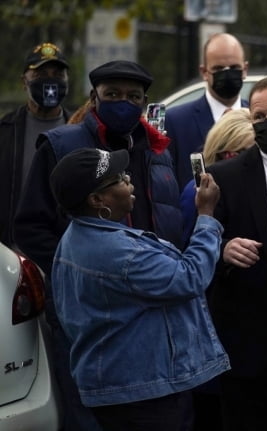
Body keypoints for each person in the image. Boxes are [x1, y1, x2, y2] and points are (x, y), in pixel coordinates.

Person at [13, 59, 183, 431]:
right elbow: (31, 226)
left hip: (147, 310)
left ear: (144, 102)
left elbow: (170, 222)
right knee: (89, 413)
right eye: (113, 95)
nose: (124, 102)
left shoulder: (158, 151)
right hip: (89, 309)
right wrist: (84, 266)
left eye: (133, 96)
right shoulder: (62, 146)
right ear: (94, 98)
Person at [49, 147, 229, 431]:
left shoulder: (77, 236)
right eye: (119, 178)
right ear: (97, 200)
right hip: (144, 392)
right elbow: (190, 278)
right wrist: (206, 215)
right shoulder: (118, 251)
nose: (129, 180)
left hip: (119, 386)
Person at [205, 75, 267, 430]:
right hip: (249, 329)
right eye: (259, 117)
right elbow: (197, 248)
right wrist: (223, 249)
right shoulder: (225, 176)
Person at [0, 42, 71, 248]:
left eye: (58, 74)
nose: (50, 80)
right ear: (24, 81)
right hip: (11, 253)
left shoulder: (78, 129)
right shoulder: (5, 131)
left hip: (62, 252)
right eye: (40, 75)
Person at [166, 32, 250, 189]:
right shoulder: (176, 121)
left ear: (245, 69)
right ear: (204, 72)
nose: (227, 74)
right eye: (218, 69)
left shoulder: (257, 118)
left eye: (234, 68)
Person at [180, 108, 255, 245]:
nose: (246, 161)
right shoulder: (195, 192)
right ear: (220, 152)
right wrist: (223, 250)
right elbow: (186, 247)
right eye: (240, 154)